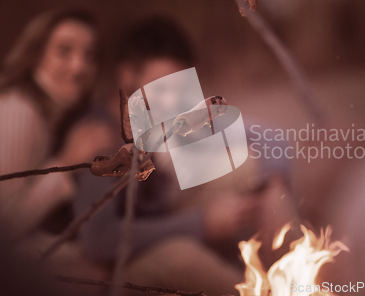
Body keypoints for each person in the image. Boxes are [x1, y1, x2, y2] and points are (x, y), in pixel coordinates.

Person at [65, 16, 294, 295]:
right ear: (126, 75)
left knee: (246, 169)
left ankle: (298, 274)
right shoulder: (99, 138)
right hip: (117, 263)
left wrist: (274, 183)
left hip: (160, 220)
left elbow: (263, 135)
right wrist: (202, 224)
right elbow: (98, 239)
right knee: (181, 257)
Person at [0, 10, 99, 237]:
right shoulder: (19, 110)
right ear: (35, 55)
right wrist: (67, 161)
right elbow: (5, 224)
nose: (79, 66)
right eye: (64, 51)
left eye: (90, 55)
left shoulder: (48, 114)